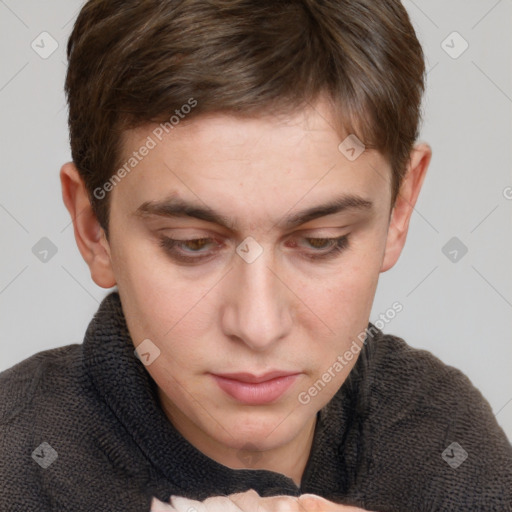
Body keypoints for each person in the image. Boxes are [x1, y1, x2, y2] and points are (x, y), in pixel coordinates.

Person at [1, 1, 511, 511]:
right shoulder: (15, 461)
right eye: (192, 244)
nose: (258, 326)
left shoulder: (449, 447)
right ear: (94, 228)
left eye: (321, 241)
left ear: (399, 210)